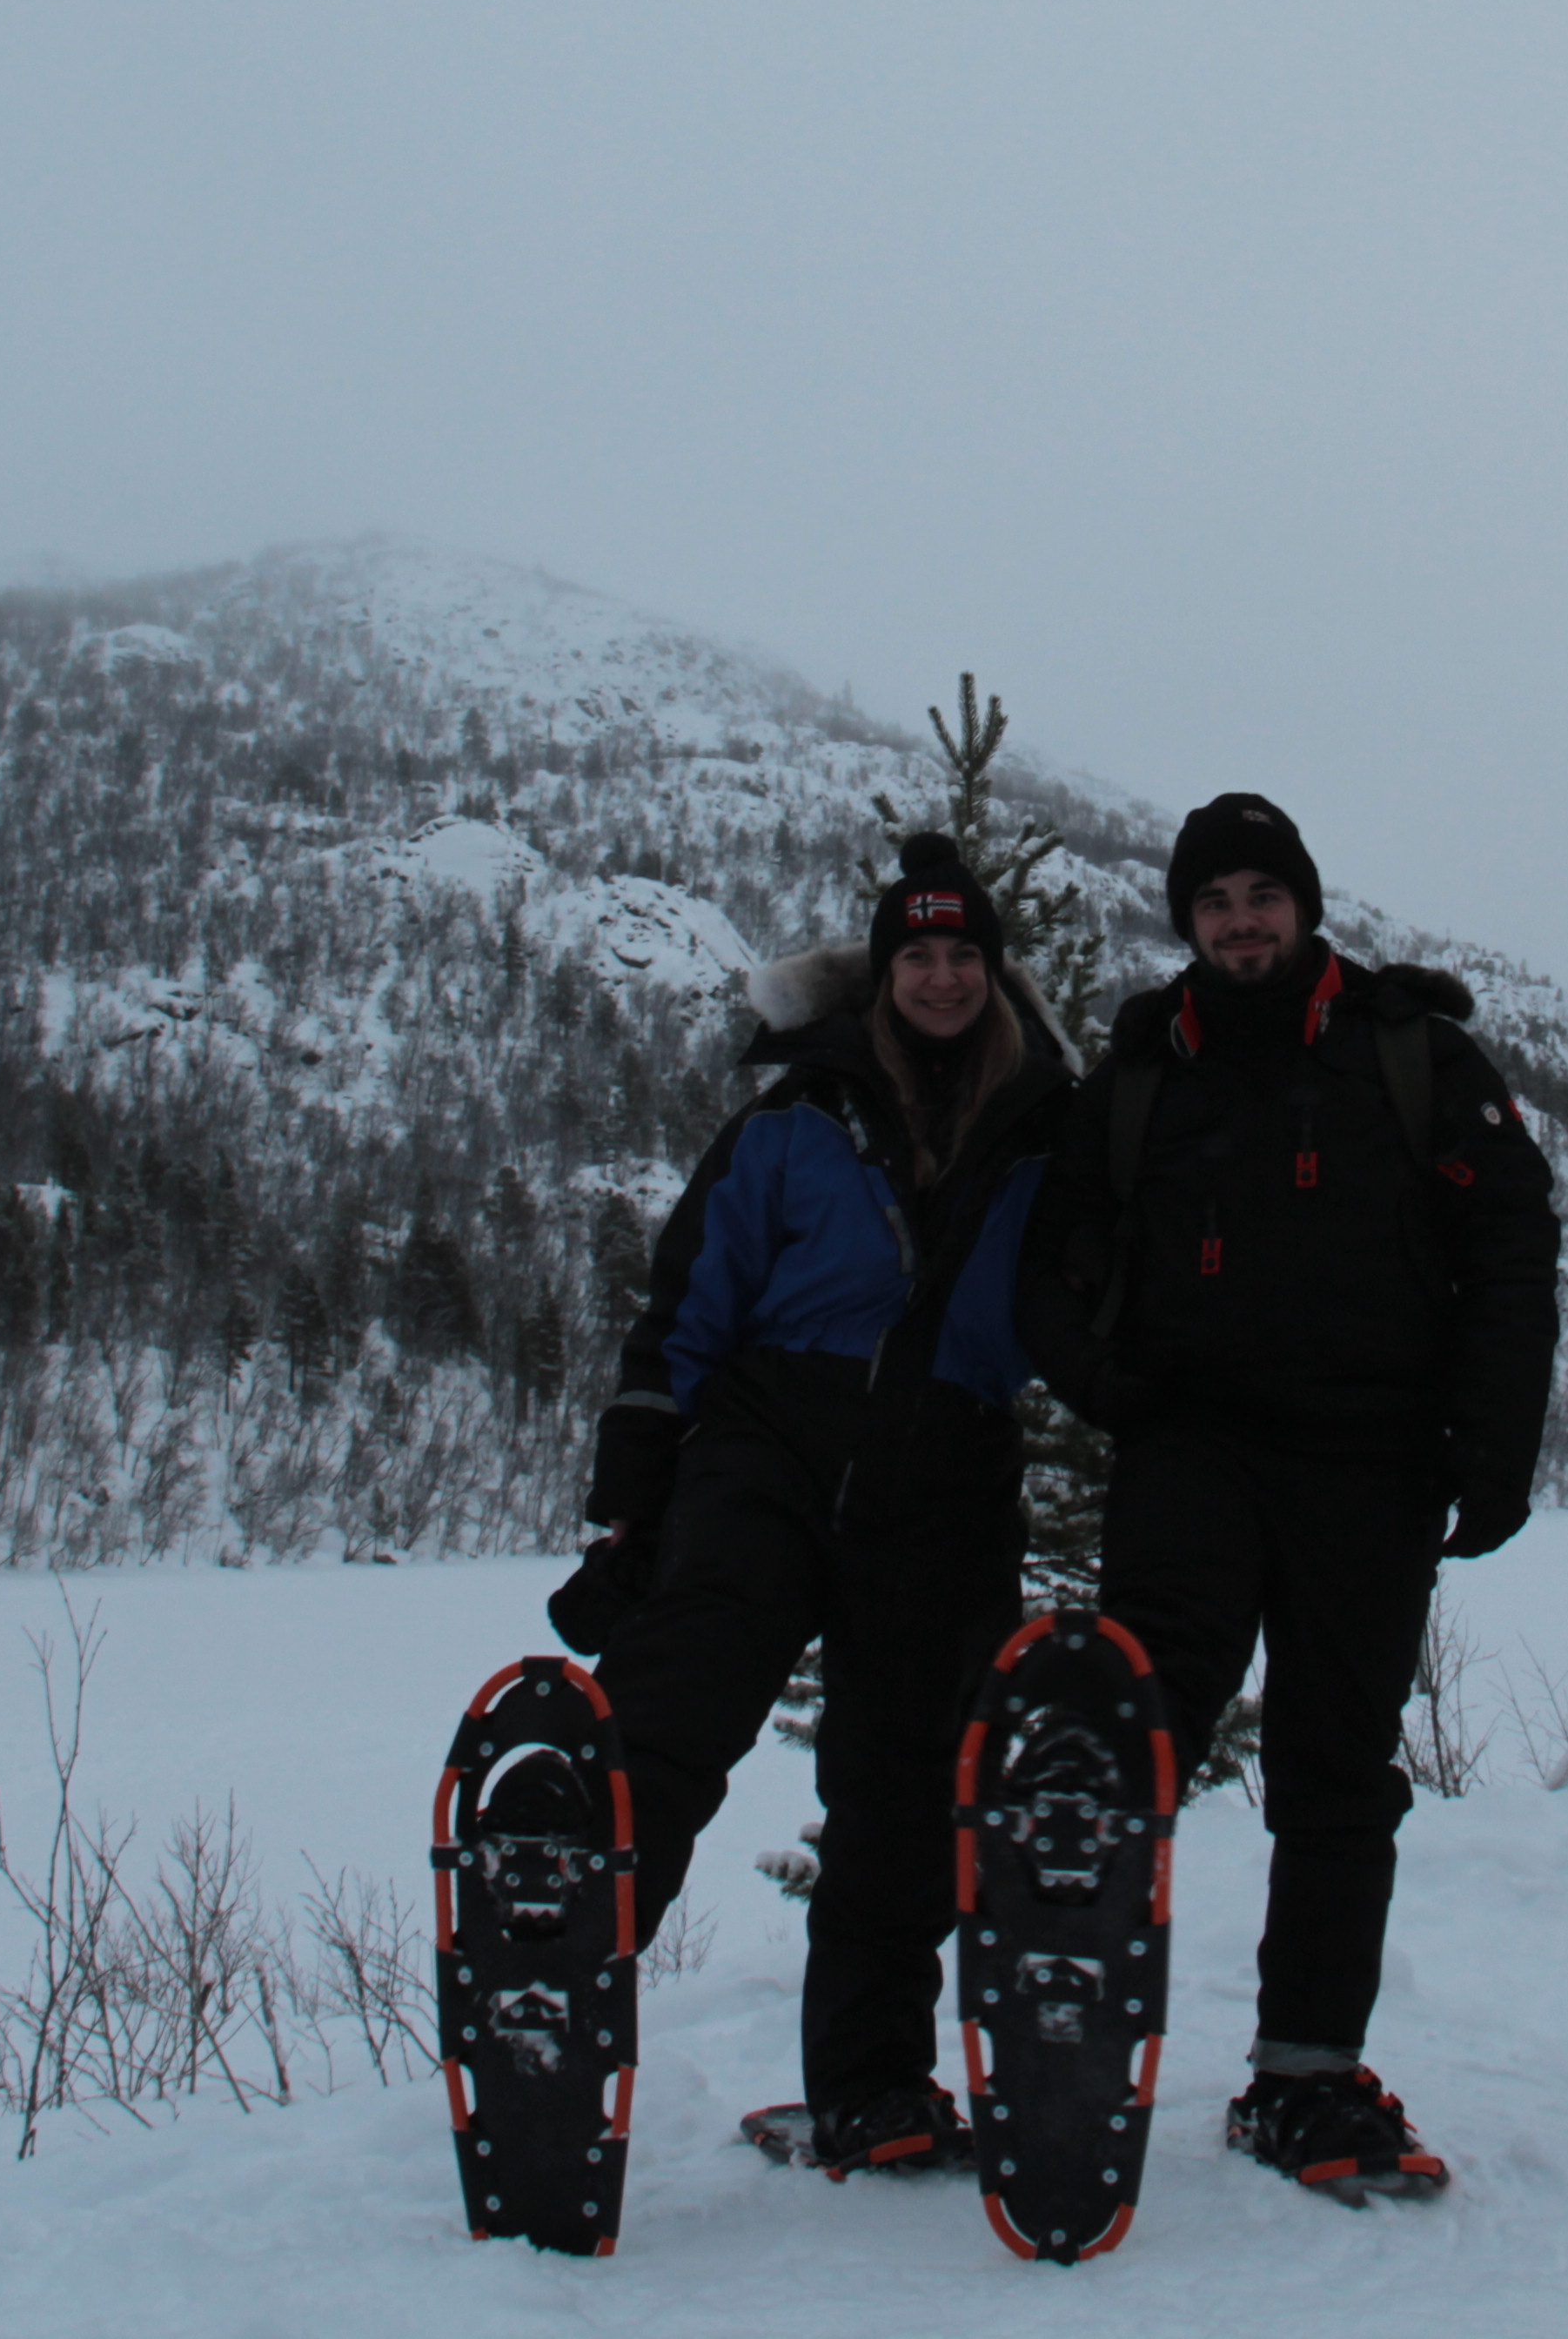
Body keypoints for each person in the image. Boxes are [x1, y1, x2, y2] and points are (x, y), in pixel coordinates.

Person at [1021, 790, 1558, 2198]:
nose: (1242, 921)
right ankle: (1059, 2028)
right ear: (1186, 921)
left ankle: (1307, 2081)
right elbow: (1049, 1256)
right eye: (1215, 902)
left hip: (1369, 1460)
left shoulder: (1411, 1051)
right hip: (1190, 1451)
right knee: (1133, 1731)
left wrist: (1494, 1446)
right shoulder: (1143, 1067)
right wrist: (1102, 1383)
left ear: (1303, 907)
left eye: (1263, 896)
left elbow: (1512, 1243)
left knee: (1336, 1772)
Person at [561, 829, 1076, 2175]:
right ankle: (551, 2006)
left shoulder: (1046, 1133)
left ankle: (874, 2086)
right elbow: (688, 1306)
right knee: (672, 1723)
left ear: (996, 970)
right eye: (921, 953)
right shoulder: (794, 1116)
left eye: (967, 952)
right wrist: (636, 1496)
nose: (946, 975)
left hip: (950, 1466)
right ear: (882, 970)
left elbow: (1092, 1307)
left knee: (905, 1794)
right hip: (770, 1445)